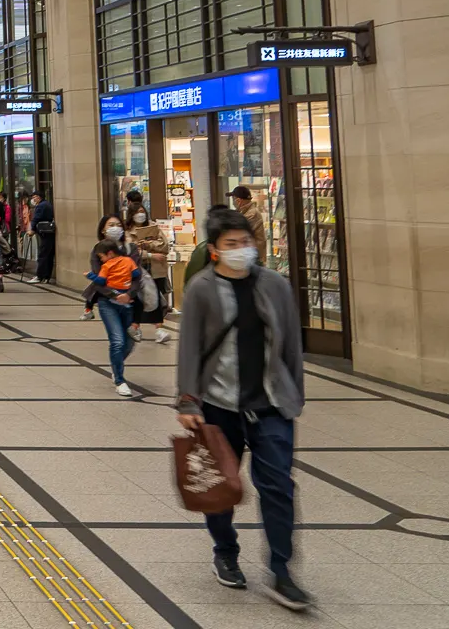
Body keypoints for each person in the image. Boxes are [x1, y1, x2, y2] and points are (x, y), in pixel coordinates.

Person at [177, 207, 310, 612]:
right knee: (219, 488)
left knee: (278, 488)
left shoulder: (275, 285)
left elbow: (290, 345)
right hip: (218, 405)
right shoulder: (201, 288)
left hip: (270, 404)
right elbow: (190, 348)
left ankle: (282, 571)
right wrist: (187, 399)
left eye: (246, 242)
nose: (241, 250)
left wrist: (293, 396)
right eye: (231, 244)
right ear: (214, 250)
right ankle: (226, 552)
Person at [88, 236, 141, 396]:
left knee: (129, 342)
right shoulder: (102, 261)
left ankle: (116, 364)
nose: (102, 260)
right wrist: (115, 295)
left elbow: (137, 278)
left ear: (110, 253)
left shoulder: (129, 256)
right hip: (108, 303)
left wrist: (129, 294)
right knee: (117, 340)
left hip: (129, 302)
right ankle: (119, 379)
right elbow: (99, 283)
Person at [131, 207, 173, 344]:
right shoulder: (128, 232)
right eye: (137, 212)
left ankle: (159, 329)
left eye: (142, 211)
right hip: (138, 271)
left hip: (156, 270)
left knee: (158, 299)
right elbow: (130, 252)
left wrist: (149, 244)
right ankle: (135, 327)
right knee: (138, 300)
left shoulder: (153, 228)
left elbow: (164, 245)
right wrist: (150, 254)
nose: (140, 215)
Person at [85, 214, 127, 319]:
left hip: (127, 288)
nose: (115, 228)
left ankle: (135, 325)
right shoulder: (99, 248)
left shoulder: (129, 247)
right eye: (111, 225)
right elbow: (96, 270)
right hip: (107, 289)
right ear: (103, 230)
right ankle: (88, 309)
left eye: (118, 225)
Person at [29, 193, 56, 284]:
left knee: (43, 255)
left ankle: (40, 276)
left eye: (34, 197)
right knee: (49, 255)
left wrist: (32, 229)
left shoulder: (41, 206)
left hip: (45, 233)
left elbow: (36, 218)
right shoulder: (48, 204)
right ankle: (46, 276)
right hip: (49, 232)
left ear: (38, 197)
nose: (33, 200)